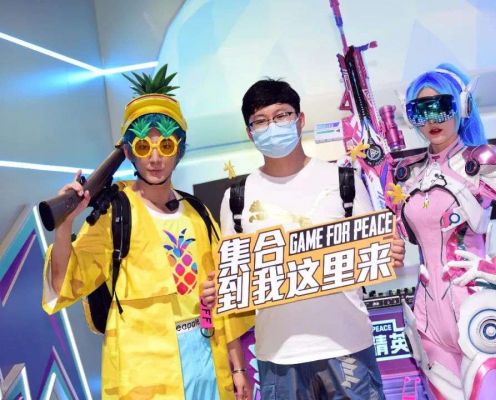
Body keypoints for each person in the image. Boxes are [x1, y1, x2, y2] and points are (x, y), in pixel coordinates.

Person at [42, 66, 253, 399]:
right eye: (143, 147)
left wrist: (238, 367)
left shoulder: (198, 212)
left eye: (166, 145)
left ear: (179, 149)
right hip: (143, 376)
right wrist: (65, 224)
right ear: (128, 152)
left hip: (208, 363)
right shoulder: (114, 213)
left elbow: (225, 296)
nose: (155, 158)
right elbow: (64, 284)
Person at [202, 78, 405, 399]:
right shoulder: (237, 198)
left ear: (300, 119)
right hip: (278, 356)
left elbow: (374, 253)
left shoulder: (344, 181)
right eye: (260, 121)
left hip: (348, 346)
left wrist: (390, 253)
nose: (272, 126)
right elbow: (234, 275)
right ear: (250, 133)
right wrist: (220, 289)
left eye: (282, 115)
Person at [396, 63, 496, 399]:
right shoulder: (408, 174)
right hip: (427, 321)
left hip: (477, 309)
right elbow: (397, 233)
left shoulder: (478, 163)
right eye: (421, 110)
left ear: (462, 106)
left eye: (441, 106)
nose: (432, 119)